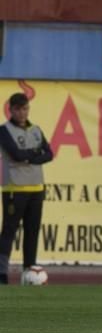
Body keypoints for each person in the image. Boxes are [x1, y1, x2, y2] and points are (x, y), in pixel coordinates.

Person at [0, 93, 54, 284]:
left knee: (32, 231)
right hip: (14, 189)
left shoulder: (36, 130)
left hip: (36, 188)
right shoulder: (4, 131)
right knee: (9, 231)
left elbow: (49, 154)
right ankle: (2, 274)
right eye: (18, 109)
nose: (22, 113)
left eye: (25, 109)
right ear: (11, 110)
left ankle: (28, 273)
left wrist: (28, 156)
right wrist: (35, 154)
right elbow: (15, 154)